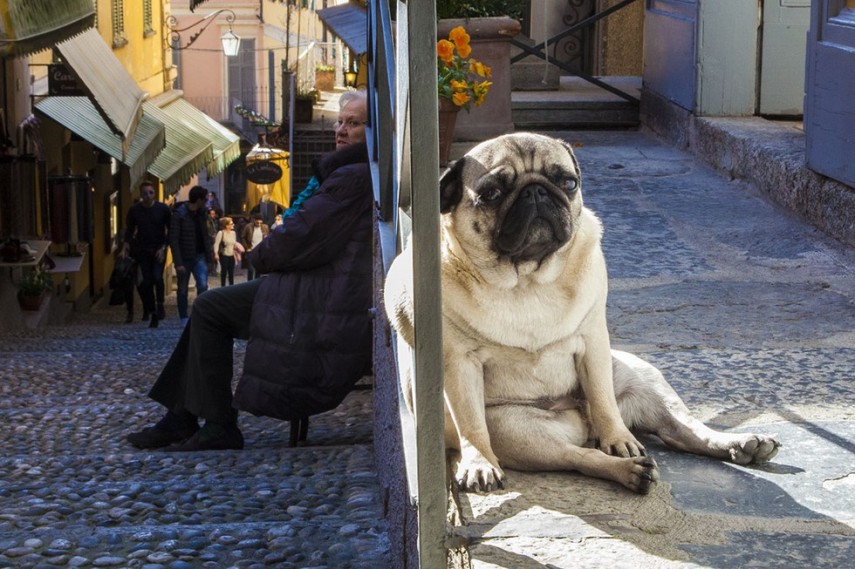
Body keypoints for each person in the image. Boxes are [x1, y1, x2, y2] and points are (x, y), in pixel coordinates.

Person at [126, 90, 373, 451]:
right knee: (210, 306)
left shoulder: (350, 177)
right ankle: (182, 416)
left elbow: (299, 236)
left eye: (353, 123)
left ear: (374, 130)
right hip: (320, 290)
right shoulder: (352, 171)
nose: (340, 130)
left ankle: (217, 424)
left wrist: (257, 256)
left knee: (209, 308)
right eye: (340, 121)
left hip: (322, 300)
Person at [123, 181, 170, 328]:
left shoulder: (163, 209)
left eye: (151, 193)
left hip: (158, 250)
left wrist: (164, 247)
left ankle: (160, 303)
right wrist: (126, 245)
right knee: (147, 281)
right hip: (143, 251)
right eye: (145, 193)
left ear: (154, 193)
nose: (148, 196)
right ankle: (152, 311)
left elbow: (171, 230)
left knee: (157, 276)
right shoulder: (135, 210)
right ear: (141, 195)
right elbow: (129, 229)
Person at [169, 185, 213, 326]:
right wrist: (178, 262)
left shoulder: (202, 214)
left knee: (202, 286)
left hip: (199, 256)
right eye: (205, 199)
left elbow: (205, 236)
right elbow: (174, 239)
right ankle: (184, 317)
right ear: (199, 199)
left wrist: (209, 258)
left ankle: (200, 315)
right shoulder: (180, 215)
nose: (206, 201)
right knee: (182, 289)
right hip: (184, 256)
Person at [240, 214, 269, 281]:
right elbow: (243, 237)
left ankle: (256, 284)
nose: (259, 224)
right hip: (251, 250)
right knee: (250, 269)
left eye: (260, 223)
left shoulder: (265, 227)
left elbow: (268, 237)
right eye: (257, 222)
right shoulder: (248, 226)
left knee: (258, 269)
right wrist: (246, 247)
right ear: (254, 220)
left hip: (260, 251)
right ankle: (249, 283)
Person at [213, 217, 239, 287]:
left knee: (231, 273)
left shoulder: (233, 233)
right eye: (231, 224)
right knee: (224, 273)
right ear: (226, 225)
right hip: (224, 255)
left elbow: (234, 244)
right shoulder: (221, 233)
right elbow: (216, 244)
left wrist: (236, 253)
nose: (233, 225)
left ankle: (231, 287)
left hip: (231, 255)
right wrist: (216, 254)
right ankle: (223, 287)